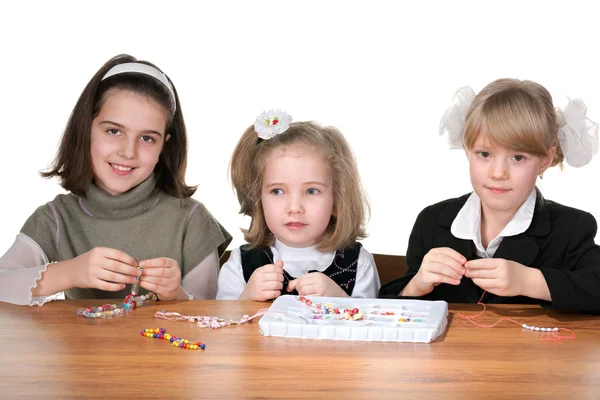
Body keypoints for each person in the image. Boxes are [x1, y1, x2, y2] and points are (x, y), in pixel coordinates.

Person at [0, 54, 231, 305]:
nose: (127, 152)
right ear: (86, 128)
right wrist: (71, 272)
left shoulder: (191, 220)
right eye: (114, 131)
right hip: (82, 345)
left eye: (147, 138)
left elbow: (211, 315)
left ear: (164, 145)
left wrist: (176, 293)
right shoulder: (55, 218)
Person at [379, 79, 600, 314]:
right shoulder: (431, 222)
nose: (498, 173)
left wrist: (530, 281)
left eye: (518, 158)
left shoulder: (572, 228)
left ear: (545, 160)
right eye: (484, 154)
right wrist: (416, 285)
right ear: (467, 151)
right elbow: (390, 316)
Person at [217, 110, 380, 300]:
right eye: (277, 191)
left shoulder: (358, 264)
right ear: (258, 200)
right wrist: (246, 299)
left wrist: (340, 300)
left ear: (337, 200)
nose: (294, 208)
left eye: (312, 191)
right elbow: (220, 325)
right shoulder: (240, 264)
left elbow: (372, 326)